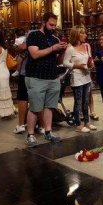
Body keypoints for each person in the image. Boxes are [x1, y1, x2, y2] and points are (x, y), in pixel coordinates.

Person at [24, 12, 68, 147]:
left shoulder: (55, 38)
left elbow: (58, 60)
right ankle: (30, 135)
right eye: (51, 24)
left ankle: (48, 132)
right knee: (35, 108)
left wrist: (62, 52)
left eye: (55, 25)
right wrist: (53, 48)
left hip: (52, 77)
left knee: (50, 107)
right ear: (43, 22)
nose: (53, 27)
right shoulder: (34, 35)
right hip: (36, 77)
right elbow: (35, 54)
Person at [63, 25, 97, 133]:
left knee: (86, 100)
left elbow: (90, 59)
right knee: (78, 101)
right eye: (83, 33)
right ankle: (78, 124)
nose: (85, 35)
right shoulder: (70, 48)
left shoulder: (87, 46)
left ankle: (87, 122)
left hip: (86, 76)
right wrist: (77, 66)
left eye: (85, 33)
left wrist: (91, 64)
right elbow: (65, 63)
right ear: (77, 35)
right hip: (76, 77)